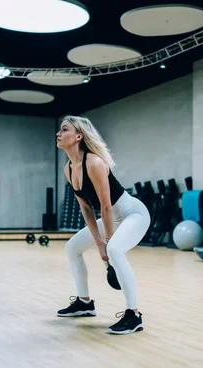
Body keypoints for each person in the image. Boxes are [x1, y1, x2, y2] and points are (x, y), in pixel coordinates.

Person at [55, 115, 151, 335]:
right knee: (72, 247)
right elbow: (86, 208)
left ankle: (133, 315)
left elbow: (106, 207)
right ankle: (85, 303)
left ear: (78, 136)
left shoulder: (95, 163)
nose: (58, 134)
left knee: (115, 249)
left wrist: (106, 244)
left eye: (64, 129)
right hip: (113, 218)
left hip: (133, 215)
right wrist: (98, 242)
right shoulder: (69, 169)